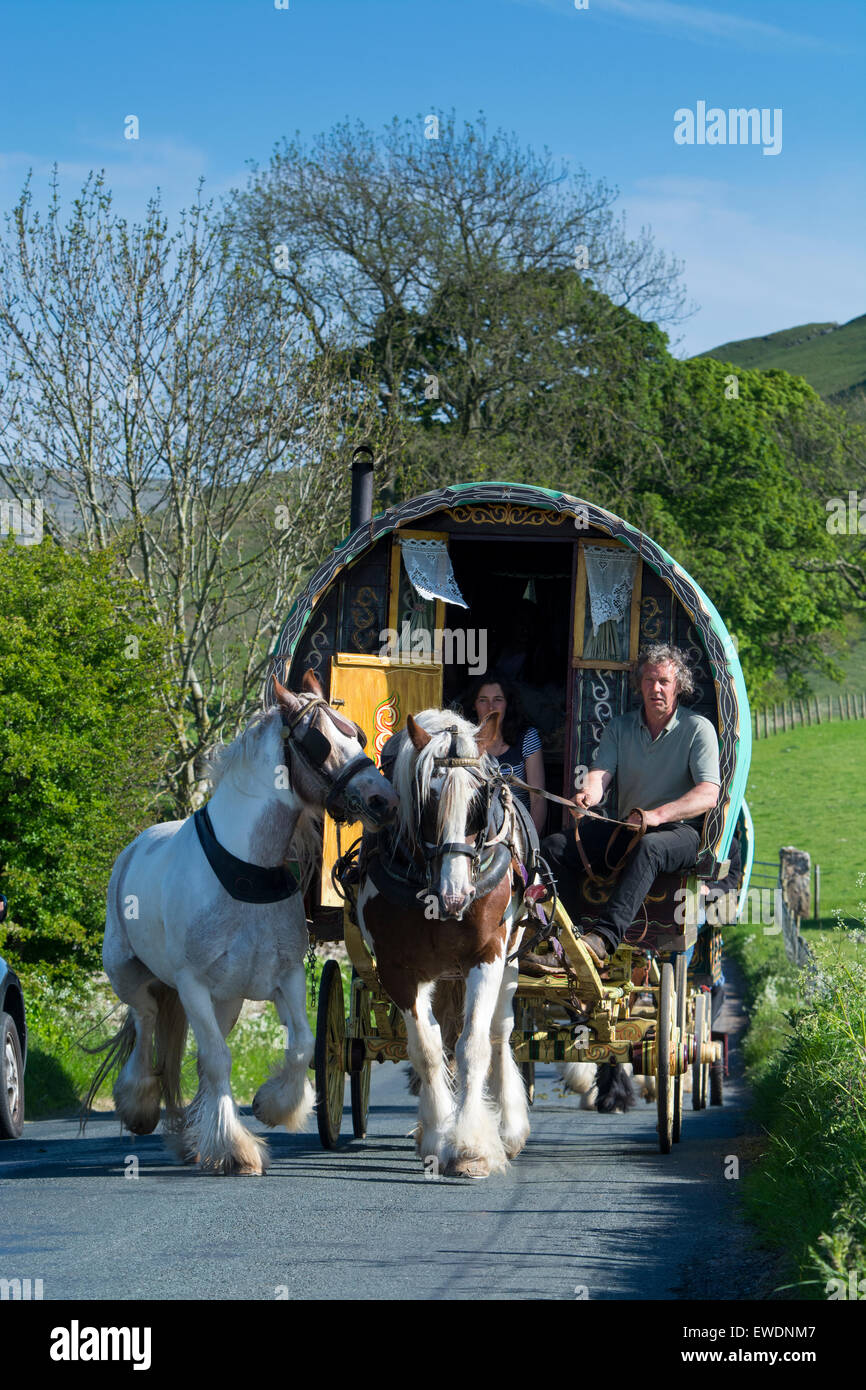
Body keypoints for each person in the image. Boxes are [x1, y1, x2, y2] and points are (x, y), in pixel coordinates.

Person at [542, 643, 721, 965]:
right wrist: (588, 796)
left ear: (678, 686)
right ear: (639, 684)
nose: (656, 688)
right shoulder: (621, 727)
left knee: (650, 847)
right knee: (554, 846)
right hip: (631, 825)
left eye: (664, 681)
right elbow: (601, 773)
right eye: (650, 680)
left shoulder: (697, 728)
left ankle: (604, 938)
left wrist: (657, 815)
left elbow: (709, 793)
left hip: (680, 833)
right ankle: (570, 937)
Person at [467, 676, 547, 836]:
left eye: (498, 700)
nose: (490, 707)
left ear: (507, 704)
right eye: (483, 700)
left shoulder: (527, 737)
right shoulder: (465, 741)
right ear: (474, 705)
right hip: (474, 833)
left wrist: (529, 846)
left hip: (516, 832)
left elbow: (538, 800)